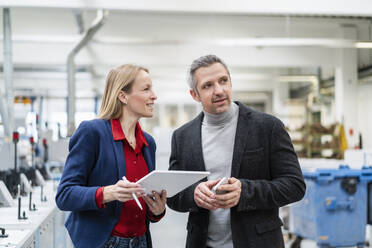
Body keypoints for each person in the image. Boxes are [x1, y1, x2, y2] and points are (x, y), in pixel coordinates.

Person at [167, 55, 306, 248]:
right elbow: (173, 196)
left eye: (223, 81)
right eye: (208, 86)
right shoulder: (182, 137)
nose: (219, 91)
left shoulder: (267, 127)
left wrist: (245, 192)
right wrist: (193, 195)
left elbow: (294, 186)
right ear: (194, 95)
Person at [56, 64, 166, 248]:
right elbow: (65, 195)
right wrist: (107, 193)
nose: (154, 95)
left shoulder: (148, 143)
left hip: (140, 242)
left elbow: (146, 204)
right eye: (146, 89)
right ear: (123, 96)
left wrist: (157, 210)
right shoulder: (92, 132)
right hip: (105, 242)